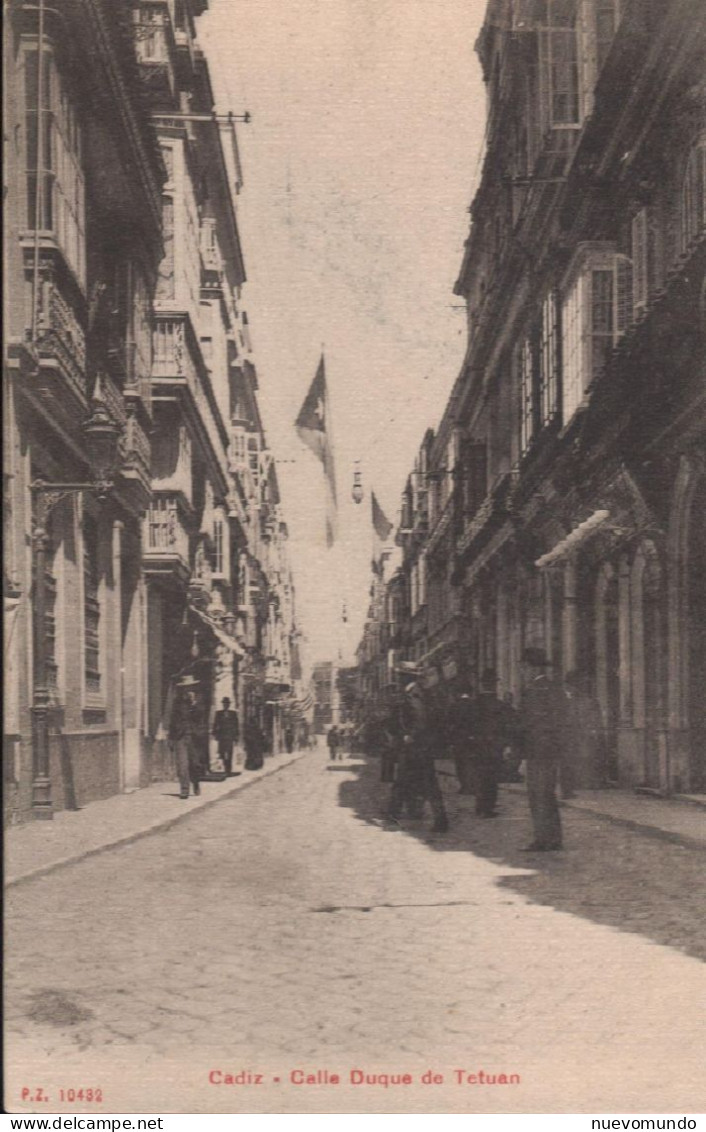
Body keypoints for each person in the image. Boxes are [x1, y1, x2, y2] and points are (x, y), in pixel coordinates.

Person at [518, 647, 570, 851]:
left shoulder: (533, 692)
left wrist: (523, 754)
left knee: (537, 794)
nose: (522, 672)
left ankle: (542, 838)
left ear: (531, 668)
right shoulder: (555, 689)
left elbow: (528, 725)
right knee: (547, 794)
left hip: (536, 751)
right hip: (551, 750)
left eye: (523, 668)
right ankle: (554, 837)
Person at [385, 681, 449, 833]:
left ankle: (393, 816)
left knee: (405, 783)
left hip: (414, 749)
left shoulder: (414, 698)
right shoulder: (419, 696)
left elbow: (419, 721)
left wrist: (409, 736)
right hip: (421, 749)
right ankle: (440, 820)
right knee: (425, 785)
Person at [468, 668, 520, 817]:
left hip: (477, 746)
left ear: (482, 685)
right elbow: (511, 725)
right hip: (495, 747)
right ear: (494, 685)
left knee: (480, 776)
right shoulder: (501, 706)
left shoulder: (474, 704)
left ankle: (480, 806)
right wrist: (506, 743)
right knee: (491, 778)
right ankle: (487, 808)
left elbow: (467, 724)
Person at [564, 669, 608, 789]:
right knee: (580, 758)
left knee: (588, 757)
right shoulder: (571, 701)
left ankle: (591, 782)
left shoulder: (588, 701)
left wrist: (593, 731)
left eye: (569, 685)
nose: (567, 688)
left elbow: (594, 720)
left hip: (586, 736)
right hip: (576, 736)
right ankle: (582, 782)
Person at [169, 675, 205, 799]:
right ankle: (184, 789)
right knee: (182, 764)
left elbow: (200, 716)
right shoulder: (177, 702)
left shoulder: (198, 700)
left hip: (194, 737)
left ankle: (195, 782)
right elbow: (173, 720)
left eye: (189, 687)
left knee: (194, 763)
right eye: (185, 687)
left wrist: (194, 704)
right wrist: (171, 738)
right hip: (180, 736)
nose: (187, 689)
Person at [447, 680, 476, 794]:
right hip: (473, 739)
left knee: (460, 763)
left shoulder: (454, 706)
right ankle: (472, 785)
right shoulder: (474, 704)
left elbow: (449, 724)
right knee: (472, 762)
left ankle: (464, 786)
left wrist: (450, 741)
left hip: (458, 739)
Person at [212, 696, 240, 776]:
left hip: (230, 737)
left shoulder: (233, 713)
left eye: (227, 703)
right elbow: (215, 724)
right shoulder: (219, 713)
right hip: (222, 737)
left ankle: (228, 770)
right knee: (222, 752)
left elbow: (236, 725)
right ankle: (225, 768)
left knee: (230, 753)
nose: (226, 705)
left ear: (229, 704)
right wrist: (215, 734)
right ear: (223, 704)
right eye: (224, 703)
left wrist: (236, 736)